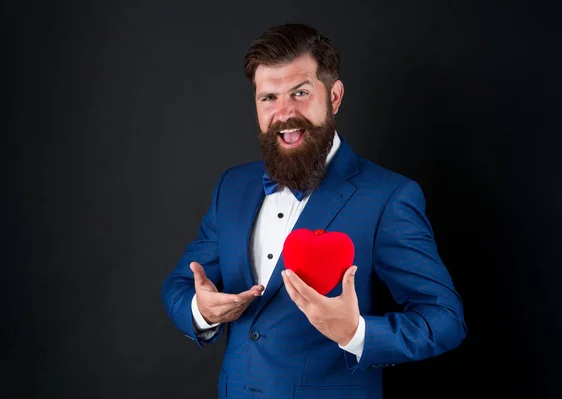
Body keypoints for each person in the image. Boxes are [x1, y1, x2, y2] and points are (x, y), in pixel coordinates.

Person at [161, 23, 467, 399]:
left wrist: (356, 333)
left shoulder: (390, 197)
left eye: (300, 93)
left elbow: (446, 320)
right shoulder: (232, 186)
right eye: (268, 98)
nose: (284, 112)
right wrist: (202, 311)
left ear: (334, 97)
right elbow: (178, 286)